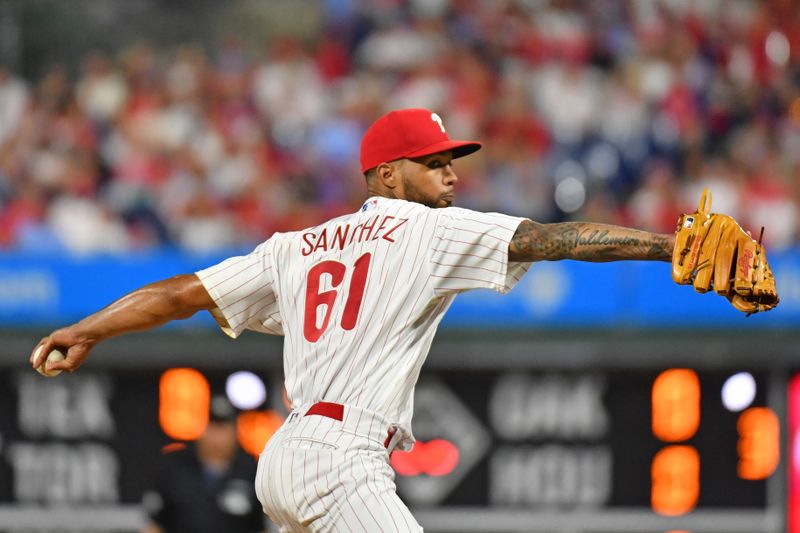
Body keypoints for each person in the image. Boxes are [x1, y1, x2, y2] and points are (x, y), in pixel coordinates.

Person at [32, 108, 678, 532]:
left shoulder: (293, 246)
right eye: (434, 162)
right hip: (341, 457)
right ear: (389, 175)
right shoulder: (428, 230)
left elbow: (183, 293)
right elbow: (551, 238)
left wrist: (86, 328)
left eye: (451, 160)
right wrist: (671, 246)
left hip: (285, 454)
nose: (451, 173)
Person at [141, 394, 267, 533]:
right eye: (212, 427)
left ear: (235, 431)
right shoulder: (175, 468)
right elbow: (155, 525)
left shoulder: (251, 471)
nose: (217, 436)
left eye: (223, 428)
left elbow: (260, 527)